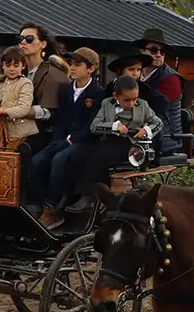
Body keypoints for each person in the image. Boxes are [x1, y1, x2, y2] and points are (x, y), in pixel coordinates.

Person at [60, 74, 164, 214]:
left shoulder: (142, 105)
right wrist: (114, 126)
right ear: (116, 96)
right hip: (110, 140)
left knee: (101, 155)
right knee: (79, 154)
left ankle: (89, 196)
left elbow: (158, 123)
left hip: (132, 145)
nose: (131, 103)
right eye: (127, 100)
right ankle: (70, 194)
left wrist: (145, 130)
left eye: (134, 99)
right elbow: (94, 126)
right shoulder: (107, 104)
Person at [30, 47, 106, 228]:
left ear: (91, 68)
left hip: (85, 141)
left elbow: (92, 124)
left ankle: (52, 208)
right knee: (37, 160)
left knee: (60, 160)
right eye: (71, 63)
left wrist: (71, 140)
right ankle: (34, 204)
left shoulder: (98, 93)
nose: (72, 67)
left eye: (78, 64)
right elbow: (61, 119)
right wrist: (57, 140)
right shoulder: (65, 90)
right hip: (63, 138)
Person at [18, 23, 70, 155]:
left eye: (29, 39)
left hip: (44, 133)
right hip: (15, 128)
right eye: (20, 39)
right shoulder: (15, 70)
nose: (23, 42)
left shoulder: (53, 73)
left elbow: (49, 112)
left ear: (42, 44)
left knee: (23, 148)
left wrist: (19, 110)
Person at [135, 28, 186, 155]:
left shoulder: (172, 79)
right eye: (154, 50)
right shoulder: (137, 75)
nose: (158, 55)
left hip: (165, 140)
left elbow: (155, 107)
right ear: (142, 51)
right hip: (141, 137)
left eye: (162, 51)